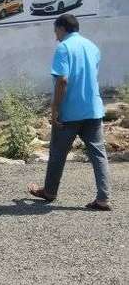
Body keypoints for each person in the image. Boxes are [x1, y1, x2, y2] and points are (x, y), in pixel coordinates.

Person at [29, 14, 111, 210]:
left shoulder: (63, 48)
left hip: (70, 111)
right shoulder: (92, 47)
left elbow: (62, 80)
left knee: (58, 153)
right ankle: (103, 199)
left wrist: (55, 108)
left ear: (62, 28)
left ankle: (49, 192)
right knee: (98, 155)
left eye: (55, 30)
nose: (55, 35)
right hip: (93, 109)